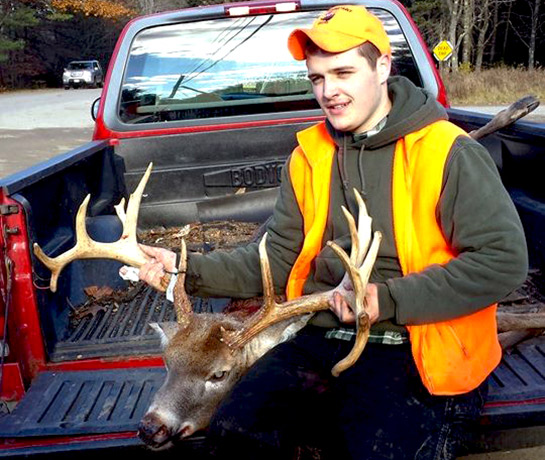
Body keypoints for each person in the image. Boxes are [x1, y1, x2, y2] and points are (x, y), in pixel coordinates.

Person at [137, 5, 528, 459]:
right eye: (318, 78)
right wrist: (184, 271)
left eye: (343, 72)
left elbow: (502, 260)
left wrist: (389, 298)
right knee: (236, 433)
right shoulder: (309, 157)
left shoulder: (447, 152)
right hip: (321, 336)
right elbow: (276, 259)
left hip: (420, 344)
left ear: (382, 67)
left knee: (373, 450)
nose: (329, 91)